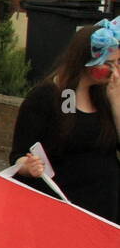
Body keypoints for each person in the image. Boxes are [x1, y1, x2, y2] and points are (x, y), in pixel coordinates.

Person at [9, 18, 120, 223]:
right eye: (108, 64)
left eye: (118, 63)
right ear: (85, 60)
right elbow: (19, 156)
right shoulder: (48, 96)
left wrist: (116, 102)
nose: (115, 72)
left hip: (105, 208)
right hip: (63, 208)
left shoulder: (107, 94)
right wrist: (28, 166)